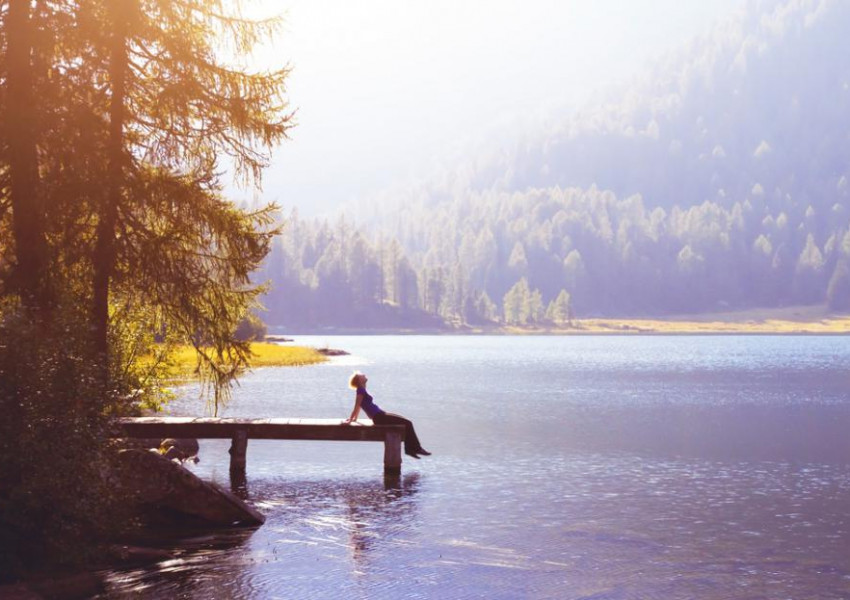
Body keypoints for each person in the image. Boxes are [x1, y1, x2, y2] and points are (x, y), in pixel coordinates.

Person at [343, 372, 431, 459]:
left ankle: (410, 449)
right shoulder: (360, 391)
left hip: (381, 415)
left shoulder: (362, 389)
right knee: (408, 423)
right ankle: (415, 449)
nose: (364, 375)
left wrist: (354, 419)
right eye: (361, 375)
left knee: (406, 422)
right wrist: (351, 420)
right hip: (379, 417)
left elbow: (359, 407)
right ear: (359, 380)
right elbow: (357, 406)